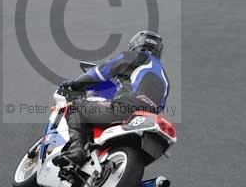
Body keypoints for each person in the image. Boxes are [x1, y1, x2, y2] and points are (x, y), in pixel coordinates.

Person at [53, 30, 169, 168]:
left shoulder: (135, 57)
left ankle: (76, 150)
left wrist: (74, 84)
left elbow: (101, 72)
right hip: (147, 119)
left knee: (75, 107)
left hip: (125, 108)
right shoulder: (165, 79)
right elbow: (160, 106)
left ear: (135, 44)